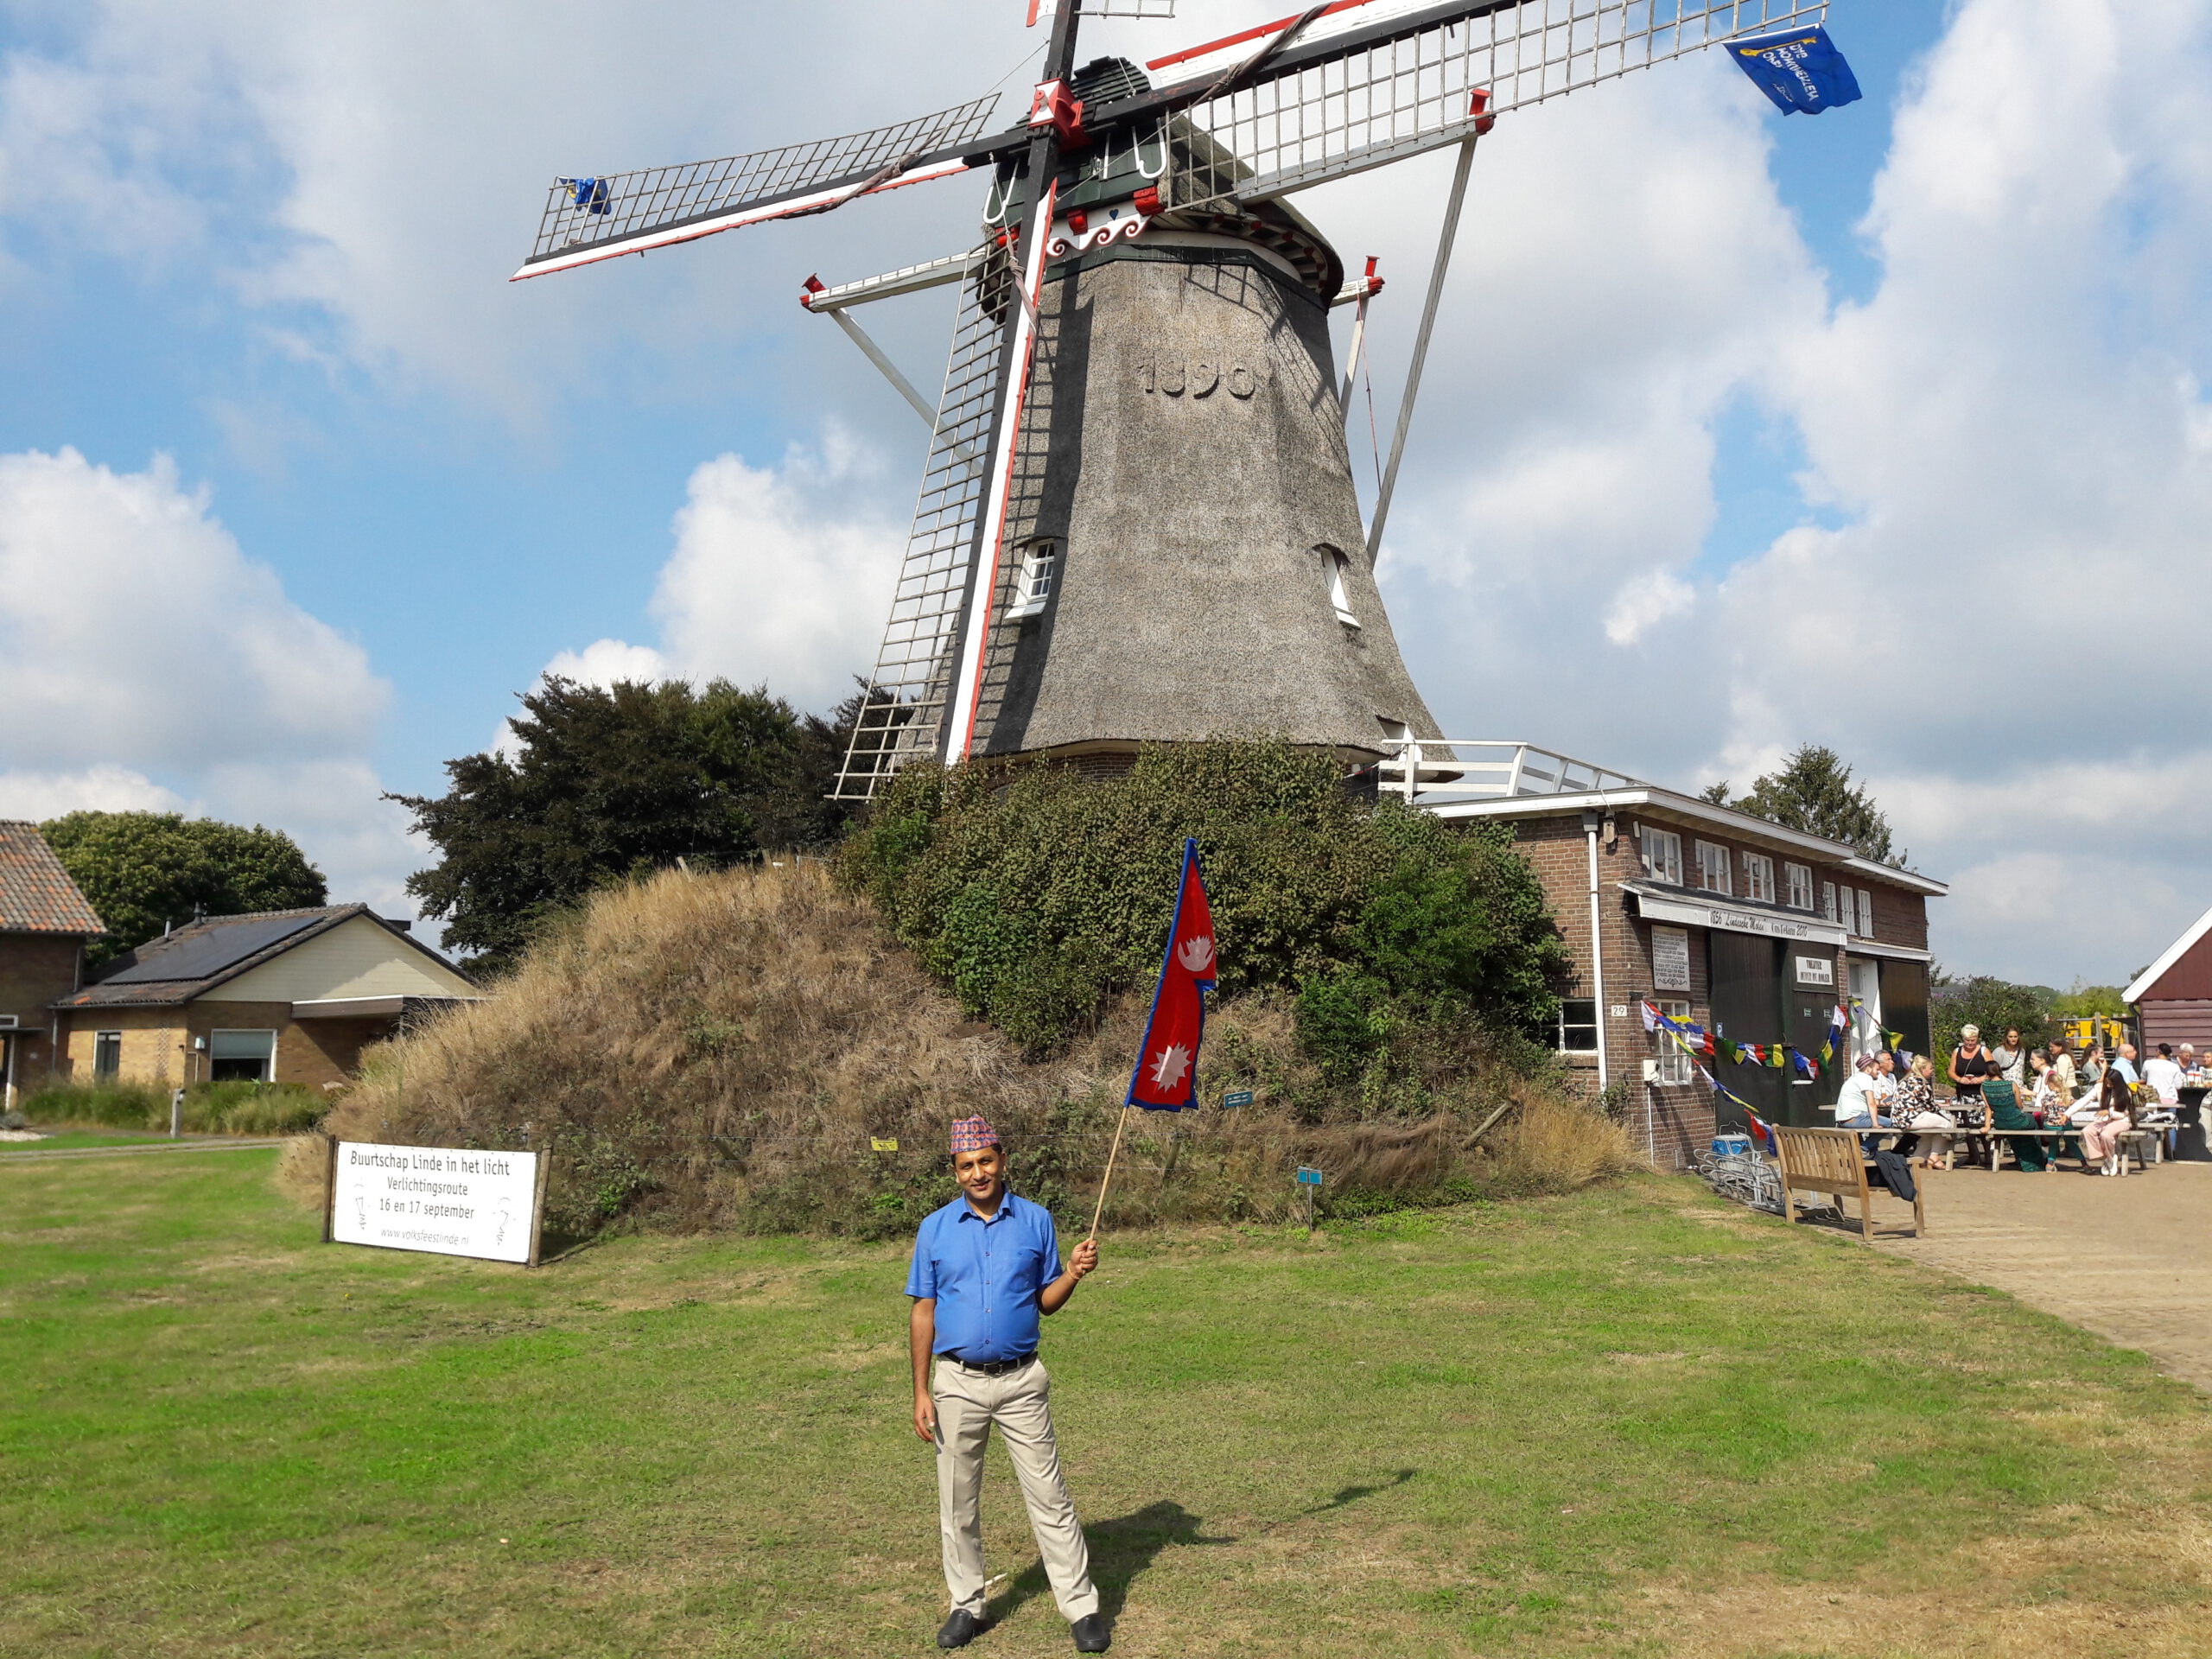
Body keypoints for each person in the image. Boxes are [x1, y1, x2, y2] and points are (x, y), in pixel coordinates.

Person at [907, 1116, 1109, 1653]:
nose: (978, 1173)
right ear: (955, 1172)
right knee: (958, 1502)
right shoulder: (934, 1228)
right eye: (966, 1166)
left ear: (1002, 1161)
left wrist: (1073, 1273)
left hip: (1021, 1381)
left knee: (1050, 1496)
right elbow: (923, 1310)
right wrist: (921, 1390)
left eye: (986, 1162)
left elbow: (1046, 1301)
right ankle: (966, 1605)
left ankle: (1081, 1607)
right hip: (956, 1383)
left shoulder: (1036, 1220)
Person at [1894, 1054, 1955, 1169]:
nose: (1932, 1071)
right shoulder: (1921, 1082)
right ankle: (1934, 1157)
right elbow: (1930, 1107)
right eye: (1930, 1068)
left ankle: (1918, 1159)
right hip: (1913, 1118)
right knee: (1948, 1126)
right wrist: (1939, 1107)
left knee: (1930, 1134)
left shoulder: (1903, 1081)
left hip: (1898, 1119)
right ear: (1922, 1069)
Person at [2080, 1069, 2134, 1176]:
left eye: (2111, 1084)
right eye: (2107, 1083)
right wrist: (2067, 1114)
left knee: (2106, 1135)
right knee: (2087, 1131)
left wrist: (2109, 1113)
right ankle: (2106, 1158)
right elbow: (2083, 1101)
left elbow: (2124, 1114)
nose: (2108, 1086)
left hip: (2122, 1121)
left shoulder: (2126, 1093)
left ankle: (2110, 1158)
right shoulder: (2100, 1089)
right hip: (2105, 1120)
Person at [1991, 1027, 2028, 1094]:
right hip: (2004, 1087)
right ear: (2006, 1037)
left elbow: (2022, 1069)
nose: (2013, 1039)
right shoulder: (1999, 1051)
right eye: (2010, 1037)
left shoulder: (2022, 1051)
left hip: (2019, 1087)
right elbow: (1993, 1070)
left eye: (2015, 1037)